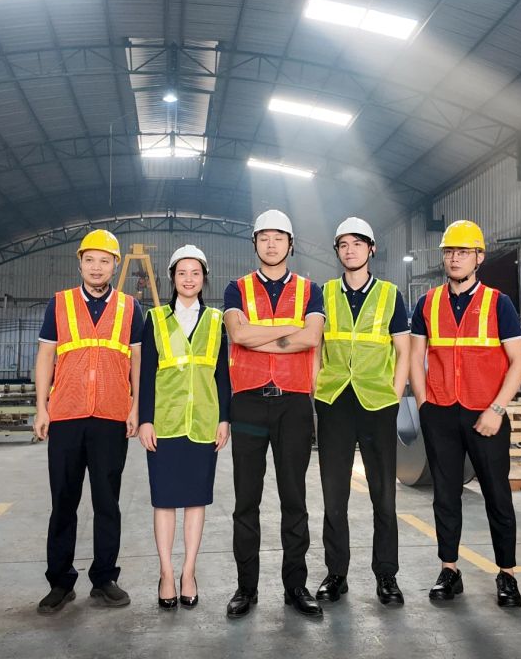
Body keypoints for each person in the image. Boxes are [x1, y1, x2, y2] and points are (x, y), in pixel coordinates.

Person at [408, 219, 521, 609]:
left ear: (479, 256)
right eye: (448, 251)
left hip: (485, 415)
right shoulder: (427, 303)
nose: (454, 258)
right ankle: (449, 570)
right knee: (445, 495)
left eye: (462, 251)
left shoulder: (499, 303)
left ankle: (507, 575)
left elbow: (519, 363)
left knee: (497, 495)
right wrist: (425, 404)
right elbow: (415, 357)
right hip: (441, 413)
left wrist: (497, 409)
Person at [33, 229, 144, 614]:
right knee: (63, 500)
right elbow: (46, 357)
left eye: (105, 260)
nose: (97, 267)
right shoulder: (59, 304)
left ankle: (104, 578)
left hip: (111, 416)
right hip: (65, 414)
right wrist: (41, 407)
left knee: (107, 501)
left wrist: (136, 409)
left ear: (116, 266)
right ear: (79, 263)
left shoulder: (131, 308)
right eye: (90, 260)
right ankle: (60, 582)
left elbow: (139, 363)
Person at [223, 209, 326, 619]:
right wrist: (288, 333)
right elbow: (237, 333)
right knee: (246, 501)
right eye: (263, 237)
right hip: (247, 400)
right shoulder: (237, 288)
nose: (271, 244)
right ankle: (246, 589)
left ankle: (295, 587)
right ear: (255, 243)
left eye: (278, 237)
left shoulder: (310, 289)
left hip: (293, 403)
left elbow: (313, 336)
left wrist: (257, 335)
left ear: (290, 243)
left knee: (294, 500)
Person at [313, 218, 410, 607]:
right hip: (335, 401)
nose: (349, 250)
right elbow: (314, 345)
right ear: (337, 252)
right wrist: (315, 389)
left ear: (372, 249)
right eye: (342, 245)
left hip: (377, 403)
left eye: (357, 244)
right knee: (334, 494)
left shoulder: (390, 295)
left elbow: (403, 350)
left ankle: (386, 575)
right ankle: (337, 574)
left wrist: (395, 393)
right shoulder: (324, 294)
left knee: (383, 495)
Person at [137, 245, 231, 610]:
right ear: (172, 278)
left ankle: (189, 572)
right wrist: (146, 418)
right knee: (164, 502)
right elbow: (146, 374)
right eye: (181, 273)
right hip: (165, 422)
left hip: (204, 422)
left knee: (195, 501)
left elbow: (222, 373)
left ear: (203, 278)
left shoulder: (215, 320)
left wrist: (224, 417)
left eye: (195, 273)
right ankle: (165, 572)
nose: (188, 279)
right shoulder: (156, 319)